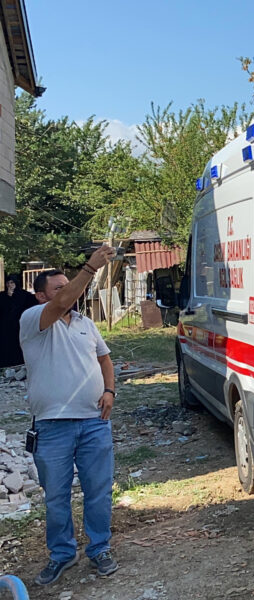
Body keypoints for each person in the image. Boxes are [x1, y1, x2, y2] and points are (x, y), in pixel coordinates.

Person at [20, 246, 120, 586]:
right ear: (41, 296)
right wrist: (90, 268)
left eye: (69, 285)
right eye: (59, 287)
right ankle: (62, 554)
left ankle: (100, 548)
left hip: (94, 422)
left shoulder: (85, 324)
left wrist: (110, 391)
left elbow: (104, 359)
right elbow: (61, 303)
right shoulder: (33, 320)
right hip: (51, 427)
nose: (69, 292)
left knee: (99, 491)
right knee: (57, 497)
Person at [0, 275, 37, 368]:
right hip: (5, 328)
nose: (9, 285)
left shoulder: (25, 295)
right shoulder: (2, 296)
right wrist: (8, 298)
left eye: (12, 282)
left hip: (20, 327)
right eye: (8, 283)